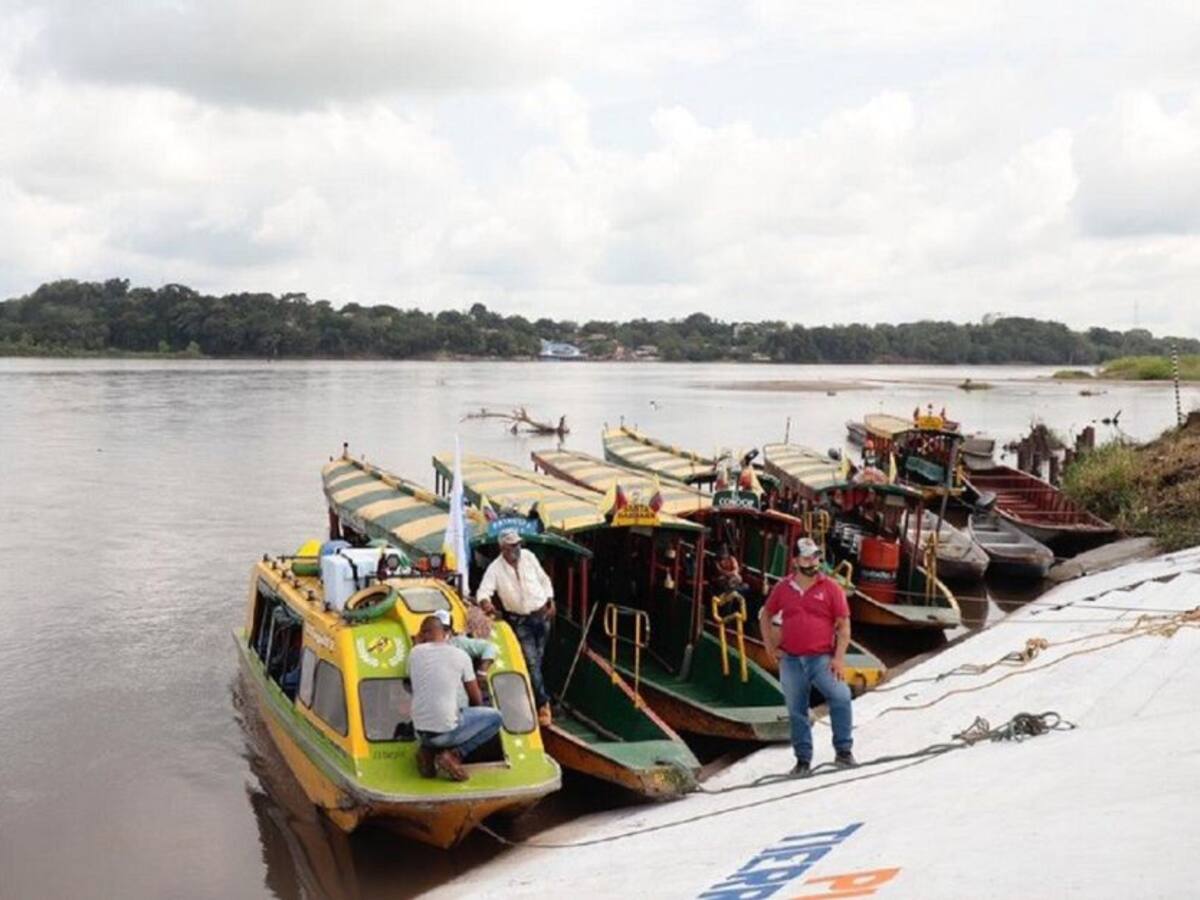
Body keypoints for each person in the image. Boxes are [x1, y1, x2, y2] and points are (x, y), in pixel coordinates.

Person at [758, 537, 855, 775]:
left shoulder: (832, 588)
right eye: (807, 557)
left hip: (821, 658)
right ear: (795, 560)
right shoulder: (782, 588)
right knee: (796, 709)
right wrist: (770, 646)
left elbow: (843, 627)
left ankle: (843, 751)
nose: (812, 562)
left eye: (815, 557)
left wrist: (839, 659)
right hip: (790, 659)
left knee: (841, 696)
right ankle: (803, 760)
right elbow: (766, 615)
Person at [476, 529, 556, 726]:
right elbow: (483, 592)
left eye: (518, 544)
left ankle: (535, 695)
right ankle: (543, 704)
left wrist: (550, 600)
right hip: (521, 621)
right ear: (503, 548)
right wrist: (486, 604)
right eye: (512, 545)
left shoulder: (529, 557)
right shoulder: (495, 568)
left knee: (538, 661)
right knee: (531, 662)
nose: (517, 548)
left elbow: (544, 579)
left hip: (542, 615)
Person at [409, 615, 503, 782]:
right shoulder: (461, 655)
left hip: (420, 733)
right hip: (446, 731)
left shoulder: (413, 654)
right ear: (445, 633)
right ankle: (454, 755)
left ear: (423, 634)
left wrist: (418, 640)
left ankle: (427, 753)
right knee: (496, 717)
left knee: (435, 718)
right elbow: (476, 698)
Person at [434, 608, 498, 702]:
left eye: (445, 628)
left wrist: (482, 672)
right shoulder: (423, 648)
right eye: (437, 628)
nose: (441, 632)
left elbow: (490, 647)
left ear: (450, 629)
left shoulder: (459, 643)